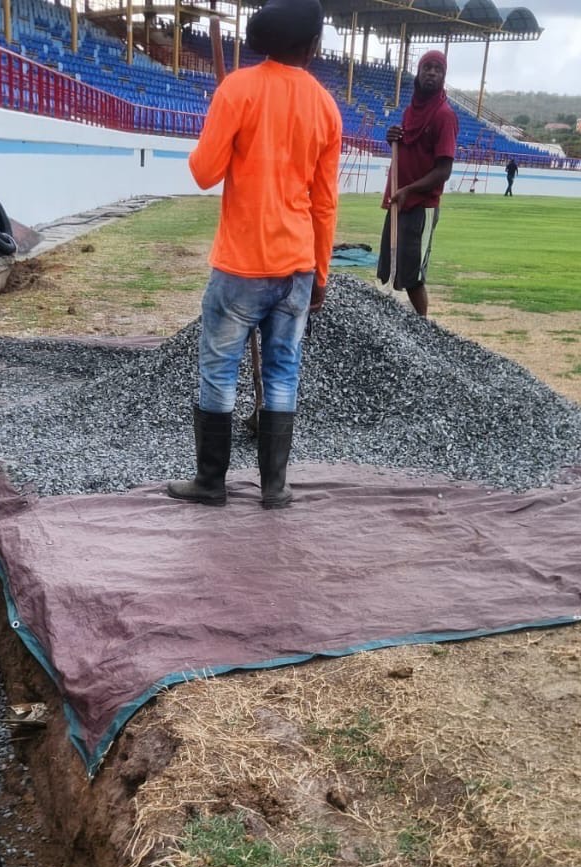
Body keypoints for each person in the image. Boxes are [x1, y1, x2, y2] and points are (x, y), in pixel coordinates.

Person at [167, 0, 341, 509]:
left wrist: (221, 124)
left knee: (219, 370)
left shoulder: (237, 88)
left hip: (242, 265)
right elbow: (325, 203)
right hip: (298, 265)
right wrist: (322, 274)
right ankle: (274, 487)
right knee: (284, 371)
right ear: (310, 48)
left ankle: (211, 482)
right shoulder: (325, 107)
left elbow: (204, 172)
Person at [376, 49, 458, 317]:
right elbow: (409, 145)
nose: (432, 73)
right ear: (419, 72)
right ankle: (393, 324)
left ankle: (424, 329)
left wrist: (409, 190)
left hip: (420, 203)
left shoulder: (444, 116)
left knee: (412, 275)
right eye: (427, 68)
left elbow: (443, 170)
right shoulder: (411, 111)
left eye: (439, 69)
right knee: (390, 266)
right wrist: (393, 138)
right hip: (399, 200)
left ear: (444, 77)